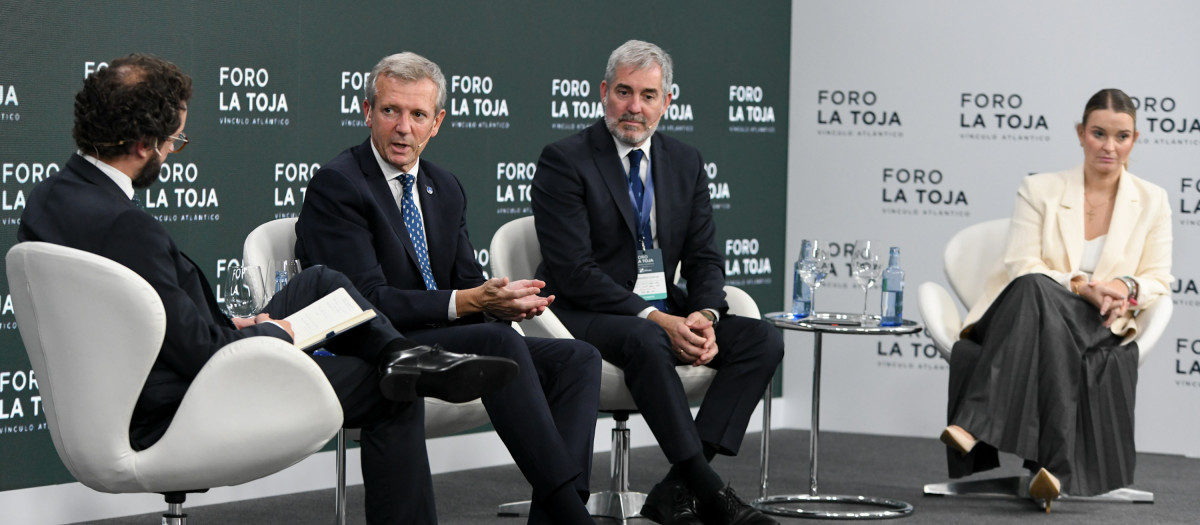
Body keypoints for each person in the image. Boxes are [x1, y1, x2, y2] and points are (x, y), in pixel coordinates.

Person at [18, 53, 520, 525]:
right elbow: (198, 353)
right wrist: (270, 333)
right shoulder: (127, 229)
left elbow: (149, 321)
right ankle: (404, 365)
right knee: (391, 392)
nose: (172, 153)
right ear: (144, 143)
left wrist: (236, 323)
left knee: (320, 283)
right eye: (175, 141)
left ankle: (401, 354)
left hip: (137, 384)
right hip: (179, 404)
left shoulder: (49, 200)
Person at [294, 52, 602, 525]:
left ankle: (553, 514)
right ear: (367, 112)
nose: (403, 127)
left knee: (578, 358)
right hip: (379, 345)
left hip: (446, 338)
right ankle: (570, 512)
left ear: (436, 123)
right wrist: (471, 304)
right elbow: (367, 302)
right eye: (391, 111)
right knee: (494, 341)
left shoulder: (445, 186)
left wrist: (501, 301)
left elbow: (464, 282)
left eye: (417, 115)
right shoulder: (338, 186)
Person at [531, 40, 783, 525]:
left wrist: (704, 316)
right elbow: (572, 269)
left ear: (667, 101)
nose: (634, 107)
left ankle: (675, 488)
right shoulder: (565, 160)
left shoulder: (685, 161)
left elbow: (705, 257)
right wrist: (656, 316)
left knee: (761, 340)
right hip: (585, 311)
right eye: (624, 92)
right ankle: (712, 493)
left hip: (665, 308)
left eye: (648, 95)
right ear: (604, 92)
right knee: (647, 337)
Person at [939, 88, 1172, 512]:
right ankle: (1055, 467)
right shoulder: (1039, 188)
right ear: (1081, 133)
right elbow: (1022, 263)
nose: (1109, 146)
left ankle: (974, 422)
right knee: (1034, 287)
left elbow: (1158, 277)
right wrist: (1080, 284)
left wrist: (1124, 288)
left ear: (1134, 140)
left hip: (1097, 319)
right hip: (1022, 309)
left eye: (1121, 137)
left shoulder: (1152, 200)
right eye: (1099, 133)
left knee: (1047, 314)